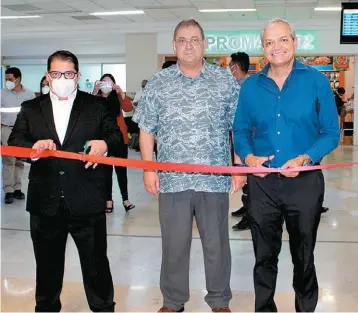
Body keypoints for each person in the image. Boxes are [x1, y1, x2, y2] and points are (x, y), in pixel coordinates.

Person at [133, 19, 245, 312]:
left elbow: (239, 128)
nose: (189, 45)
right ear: (174, 45)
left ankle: (220, 301)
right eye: (182, 40)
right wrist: (148, 168)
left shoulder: (224, 81)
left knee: (217, 244)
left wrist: (239, 166)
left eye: (195, 39)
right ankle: (172, 301)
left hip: (214, 179)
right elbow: (146, 129)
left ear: (205, 44)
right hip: (172, 181)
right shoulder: (159, 83)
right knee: (174, 245)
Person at [233, 18, 339, 312]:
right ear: (262, 49)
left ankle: (305, 307)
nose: (276, 47)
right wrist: (249, 157)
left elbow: (332, 132)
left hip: (304, 181)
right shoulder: (252, 86)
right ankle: (264, 307)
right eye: (269, 42)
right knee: (263, 255)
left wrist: (306, 157)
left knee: (304, 255)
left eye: (282, 40)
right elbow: (240, 131)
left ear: (295, 42)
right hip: (262, 183)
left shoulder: (316, 81)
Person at [8, 50, 122, 312]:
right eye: (56, 73)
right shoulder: (31, 108)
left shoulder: (96, 106)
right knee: (46, 267)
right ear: (48, 76)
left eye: (68, 74)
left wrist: (104, 144)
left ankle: (103, 307)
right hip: (44, 201)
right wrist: (34, 147)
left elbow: (116, 137)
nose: (62, 78)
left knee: (96, 265)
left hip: (87, 199)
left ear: (78, 76)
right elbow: (15, 142)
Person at [93, 73, 136, 213]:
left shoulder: (117, 97)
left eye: (110, 82)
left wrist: (122, 94)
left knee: (121, 171)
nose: (106, 85)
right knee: (105, 172)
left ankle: (125, 200)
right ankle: (108, 200)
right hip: (103, 140)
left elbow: (129, 109)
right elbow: (89, 112)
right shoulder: (96, 99)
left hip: (119, 139)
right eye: (103, 82)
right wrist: (94, 92)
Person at [1, 67, 35, 204]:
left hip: (23, 132)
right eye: (6, 79)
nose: (8, 81)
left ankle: (18, 188)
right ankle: (8, 190)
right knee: (8, 161)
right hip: (6, 130)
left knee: (20, 161)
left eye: (10, 79)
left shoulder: (30, 94)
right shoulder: (2, 94)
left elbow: (33, 115)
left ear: (18, 78)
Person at [228, 52, 250, 232]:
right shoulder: (234, 85)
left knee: (249, 177)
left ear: (237, 66)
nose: (230, 68)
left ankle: (251, 215)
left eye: (231, 65)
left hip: (248, 141)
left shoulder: (248, 86)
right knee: (242, 175)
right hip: (237, 138)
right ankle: (246, 206)